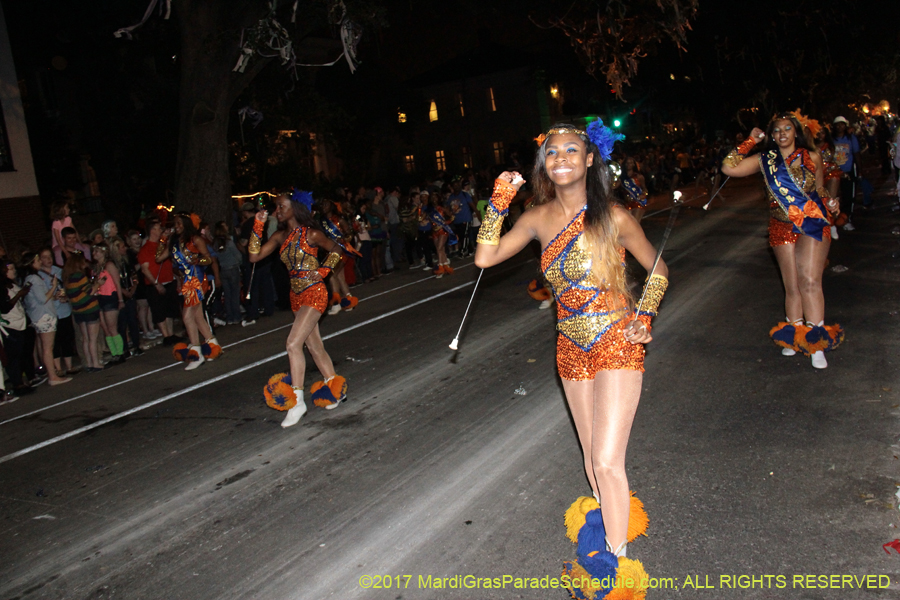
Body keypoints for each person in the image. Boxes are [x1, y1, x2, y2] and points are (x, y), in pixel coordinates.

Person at [474, 121, 668, 562]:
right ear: (544, 163)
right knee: (590, 458)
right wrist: (499, 200)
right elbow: (485, 257)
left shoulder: (614, 216)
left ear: (590, 159)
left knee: (607, 460)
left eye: (571, 150)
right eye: (552, 151)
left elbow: (658, 269)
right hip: (569, 347)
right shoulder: (536, 218)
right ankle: (607, 529)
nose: (560, 157)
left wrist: (644, 315)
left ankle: (615, 566)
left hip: (616, 341)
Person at [721, 113, 842, 368]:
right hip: (781, 225)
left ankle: (816, 341)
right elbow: (728, 167)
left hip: (811, 223)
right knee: (792, 285)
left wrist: (831, 203)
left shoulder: (813, 156)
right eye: (777, 130)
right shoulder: (765, 160)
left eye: (787, 128)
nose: (782, 133)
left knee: (810, 281)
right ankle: (794, 336)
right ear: (772, 135)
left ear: (796, 132)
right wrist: (750, 141)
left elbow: (820, 190)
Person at [250, 191, 347, 428]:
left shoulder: (311, 233)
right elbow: (254, 257)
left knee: (293, 344)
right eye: (276, 207)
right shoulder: (279, 236)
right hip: (296, 296)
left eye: (281, 206)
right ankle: (334, 389)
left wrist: (323, 271)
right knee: (314, 346)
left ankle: (297, 402)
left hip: (315, 293)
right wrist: (258, 226)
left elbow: (337, 249)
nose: (277, 211)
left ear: (295, 207)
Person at [156, 213, 222, 371]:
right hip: (186, 283)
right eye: (175, 223)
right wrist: (163, 240)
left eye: (179, 223)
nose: (177, 226)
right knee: (198, 317)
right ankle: (213, 347)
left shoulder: (195, 240)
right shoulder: (174, 243)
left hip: (197, 280)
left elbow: (209, 259)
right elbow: (158, 258)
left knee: (187, 316)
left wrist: (197, 260)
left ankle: (196, 353)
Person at [21, 251, 71, 385]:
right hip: (44, 316)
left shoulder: (30, 278)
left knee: (47, 347)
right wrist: (54, 286)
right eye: (37, 260)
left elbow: (40, 298)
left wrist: (54, 297)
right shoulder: (34, 279)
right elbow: (43, 299)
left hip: (40, 315)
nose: (40, 262)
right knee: (48, 348)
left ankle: (52, 375)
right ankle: (53, 376)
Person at [37, 248, 79, 375]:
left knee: (67, 337)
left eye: (50, 256)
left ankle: (69, 365)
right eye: (44, 257)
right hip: (51, 312)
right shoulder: (38, 275)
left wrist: (66, 296)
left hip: (64, 310)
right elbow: (40, 296)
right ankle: (58, 368)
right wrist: (53, 297)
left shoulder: (59, 271)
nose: (48, 259)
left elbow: (67, 286)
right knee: (54, 342)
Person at [138, 219, 180, 344]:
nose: (161, 230)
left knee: (170, 309)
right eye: (158, 228)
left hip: (169, 280)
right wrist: (156, 284)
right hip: (155, 284)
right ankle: (166, 335)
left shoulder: (162, 245)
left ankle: (171, 334)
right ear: (153, 231)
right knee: (159, 311)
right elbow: (145, 269)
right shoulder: (145, 249)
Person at [63, 251, 104, 372]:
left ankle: (89, 363)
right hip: (89, 309)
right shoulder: (79, 276)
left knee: (85, 338)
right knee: (93, 338)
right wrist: (98, 284)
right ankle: (96, 363)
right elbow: (90, 291)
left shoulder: (68, 278)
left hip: (78, 311)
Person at [1, 259, 36, 393]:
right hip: (10, 324)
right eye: (9, 269)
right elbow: (5, 308)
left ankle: (23, 379)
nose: (13, 271)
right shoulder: (2, 287)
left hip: (20, 321)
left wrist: (22, 293)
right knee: (13, 356)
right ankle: (17, 384)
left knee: (22, 353)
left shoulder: (11, 284)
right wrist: (19, 295)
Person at [831, 116, 860, 230]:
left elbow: (856, 154)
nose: (840, 127)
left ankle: (847, 219)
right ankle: (834, 220)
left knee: (849, 197)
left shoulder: (851, 138)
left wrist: (860, 170)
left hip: (848, 171)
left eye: (842, 124)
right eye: (837, 124)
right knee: (835, 197)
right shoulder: (831, 139)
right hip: (834, 173)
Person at [213, 221, 243, 325]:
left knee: (227, 294)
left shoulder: (216, 244)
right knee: (235, 294)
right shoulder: (229, 242)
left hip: (223, 270)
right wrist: (240, 262)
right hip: (232, 269)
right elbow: (238, 255)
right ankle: (236, 316)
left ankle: (229, 317)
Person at [50, 200, 81, 266]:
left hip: (69, 244)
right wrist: (66, 252)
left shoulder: (68, 219)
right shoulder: (56, 223)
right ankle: (61, 268)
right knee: (58, 252)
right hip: (59, 245)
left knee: (81, 250)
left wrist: (80, 243)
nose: (69, 209)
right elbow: (58, 240)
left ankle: (84, 265)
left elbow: (75, 231)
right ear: (61, 210)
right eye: (67, 207)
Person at [621, 157, 649, 221]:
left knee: (635, 222)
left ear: (634, 164)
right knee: (628, 223)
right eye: (627, 163)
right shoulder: (621, 178)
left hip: (637, 202)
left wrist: (643, 195)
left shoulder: (639, 176)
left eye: (630, 163)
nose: (629, 164)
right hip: (627, 203)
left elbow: (644, 189)